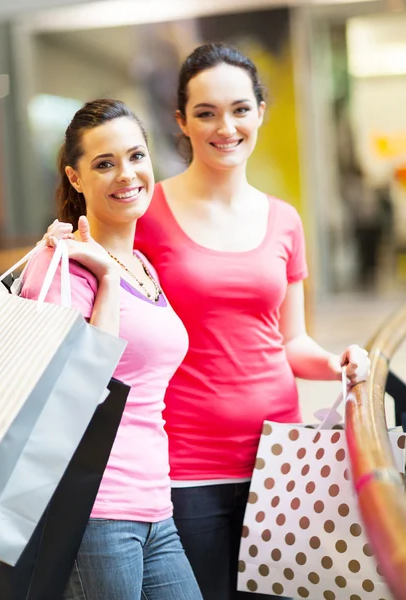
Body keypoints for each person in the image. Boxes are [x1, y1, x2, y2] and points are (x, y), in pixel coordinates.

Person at [46, 44, 369, 600]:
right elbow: (88, 289)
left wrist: (340, 362)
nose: (227, 126)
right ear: (181, 121)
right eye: (206, 112)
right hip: (179, 468)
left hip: (279, 460)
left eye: (241, 108)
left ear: (261, 112)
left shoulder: (284, 220)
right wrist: (62, 243)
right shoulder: (145, 212)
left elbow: (290, 341)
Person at [20, 99, 203, 600]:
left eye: (136, 156)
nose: (127, 174)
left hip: (153, 507)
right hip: (94, 512)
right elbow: (78, 391)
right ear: (75, 179)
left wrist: (110, 269)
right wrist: (101, 276)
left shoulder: (140, 264)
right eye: (105, 163)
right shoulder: (60, 266)